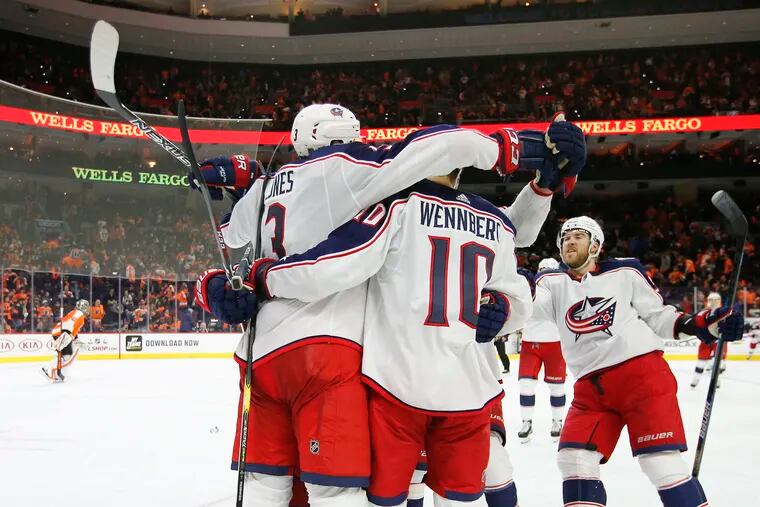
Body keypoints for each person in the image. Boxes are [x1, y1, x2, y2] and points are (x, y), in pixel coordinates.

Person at [194, 104, 585, 506]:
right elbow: (501, 215)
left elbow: (238, 235)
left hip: (289, 358)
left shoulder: (355, 200)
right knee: (348, 488)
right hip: (369, 357)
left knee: (269, 485)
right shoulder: (382, 183)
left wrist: (251, 197)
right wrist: (518, 153)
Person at [250, 167, 533, 506]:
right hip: (465, 387)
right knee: (463, 492)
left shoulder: (395, 203)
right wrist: (505, 307)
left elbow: (334, 266)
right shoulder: (494, 220)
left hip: (396, 385)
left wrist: (266, 276)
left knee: (391, 495)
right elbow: (519, 298)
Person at [531, 216, 744, 507]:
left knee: (659, 462)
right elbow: (527, 308)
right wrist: (509, 293)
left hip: (641, 376)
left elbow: (659, 316)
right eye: (565, 238)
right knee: (574, 459)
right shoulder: (551, 282)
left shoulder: (625, 272)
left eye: (578, 236)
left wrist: (705, 324)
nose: (570, 241)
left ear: (595, 245)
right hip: (590, 389)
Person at [516, 257, 567, 442]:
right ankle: (526, 422)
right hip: (531, 342)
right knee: (526, 384)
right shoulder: (529, 289)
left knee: (557, 386)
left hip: (554, 342)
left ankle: (557, 421)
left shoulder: (562, 292)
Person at [42, 299, 89, 382]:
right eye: (86, 307)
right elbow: (69, 325)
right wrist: (66, 335)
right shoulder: (79, 313)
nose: (87, 309)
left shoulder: (76, 313)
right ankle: (48, 368)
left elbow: (73, 328)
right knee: (67, 356)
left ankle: (58, 374)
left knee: (65, 356)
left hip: (61, 332)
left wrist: (75, 339)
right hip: (62, 333)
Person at [689, 292, 727, 388]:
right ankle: (696, 379)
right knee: (701, 361)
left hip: (719, 342)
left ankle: (717, 380)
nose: (713, 302)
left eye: (716, 300)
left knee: (717, 362)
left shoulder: (725, 312)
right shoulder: (703, 312)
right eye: (711, 300)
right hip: (706, 341)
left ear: (719, 301)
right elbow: (697, 324)